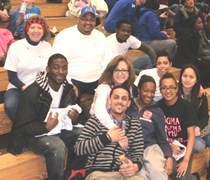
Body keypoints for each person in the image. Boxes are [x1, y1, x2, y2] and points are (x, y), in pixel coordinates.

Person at [7, 53, 88, 180]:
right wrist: (46, 127)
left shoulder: (69, 89)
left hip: (57, 130)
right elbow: (22, 126)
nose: (61, 72)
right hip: (33, 135)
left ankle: (72, 174)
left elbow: (77, 116)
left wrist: (75, 118)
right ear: (48, 69)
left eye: (64, 68)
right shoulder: (32, 92)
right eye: (56, 67)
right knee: (57, 147)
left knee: (84, 134)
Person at [74, 85, 144, 180]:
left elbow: (138, 154)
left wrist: (135, 167)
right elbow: (79, 148)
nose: (119, 101)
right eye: (116, 97)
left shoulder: (135, 124)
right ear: (109, 101)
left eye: (124, 99)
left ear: (128, 103)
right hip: (99, 173)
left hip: (123, 174)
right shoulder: (96, 120)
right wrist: (107, 137)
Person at [4, 15, 53, 124]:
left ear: (44, 31)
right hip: (17, 87)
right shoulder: (16, 47)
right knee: (10, 105)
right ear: (27, 29)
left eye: (39, 28)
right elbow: (12, 77)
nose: (36, 31)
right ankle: (23, 128)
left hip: (40, 87)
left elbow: (51, 72)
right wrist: (27, 89)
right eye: (33, 27)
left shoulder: (48, 47)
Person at [127, 75, 173, 180]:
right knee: (141, 176)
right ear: (138, 89)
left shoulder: (157, 111)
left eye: (152, 92)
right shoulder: (128, 106)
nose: (149, 95)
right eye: (146, 90)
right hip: (131, 149)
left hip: (150, 147)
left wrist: (169, 157)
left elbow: (162, 138)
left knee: (156, 172)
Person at [53, 6, 106, 97]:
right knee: (70, 108)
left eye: (92, 20)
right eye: (84, 19)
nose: (88, 22)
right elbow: (57, 64)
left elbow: (106, 61)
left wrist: (104, 82)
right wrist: (68, 83)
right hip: (72, 81)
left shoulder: (101, 37)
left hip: (97, 81)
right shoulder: (65, 35)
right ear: (78, 19)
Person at [158, 73, 197, 180]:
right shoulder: (158, 107)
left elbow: (191, 135)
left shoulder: (186, 106)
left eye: (171, 87)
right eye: (164, 88)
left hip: (183, 149)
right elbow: (157, 134)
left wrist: (185, 161)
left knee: (181, 175)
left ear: (176, 89)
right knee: (165, 172)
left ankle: (193, 177)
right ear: (160, 90)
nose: (168, 91)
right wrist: (169, 145)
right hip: (166, 147)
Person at [90, 55, 135, 129]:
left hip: (118, 122)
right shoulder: (104, 88)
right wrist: (114, 128)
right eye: (116, 70)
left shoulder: (129, 87)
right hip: (99, 124)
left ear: (129, 72)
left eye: (124, 70)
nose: (120, 74)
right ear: (111, 72)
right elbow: (99, 110)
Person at [178, 64, 210, 153]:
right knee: (199, 146)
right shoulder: (175, 93)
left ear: (196, 80)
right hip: (184, 132)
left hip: (198, 129)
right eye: (185, 76)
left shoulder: (201, 95)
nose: (187, 79)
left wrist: (199, 127)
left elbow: (205, 117)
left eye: (191, 77)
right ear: (180, 77)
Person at [173, 14, 210, 87]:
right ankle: (201, 84)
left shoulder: (196, 34)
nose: (202, 24)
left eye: (202, 22)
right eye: (199, 23)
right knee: (205, 65)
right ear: (193, 24)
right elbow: (185, 52)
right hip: (184, 59)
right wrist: (197, 59)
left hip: (192, 57)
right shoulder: (186, 34)